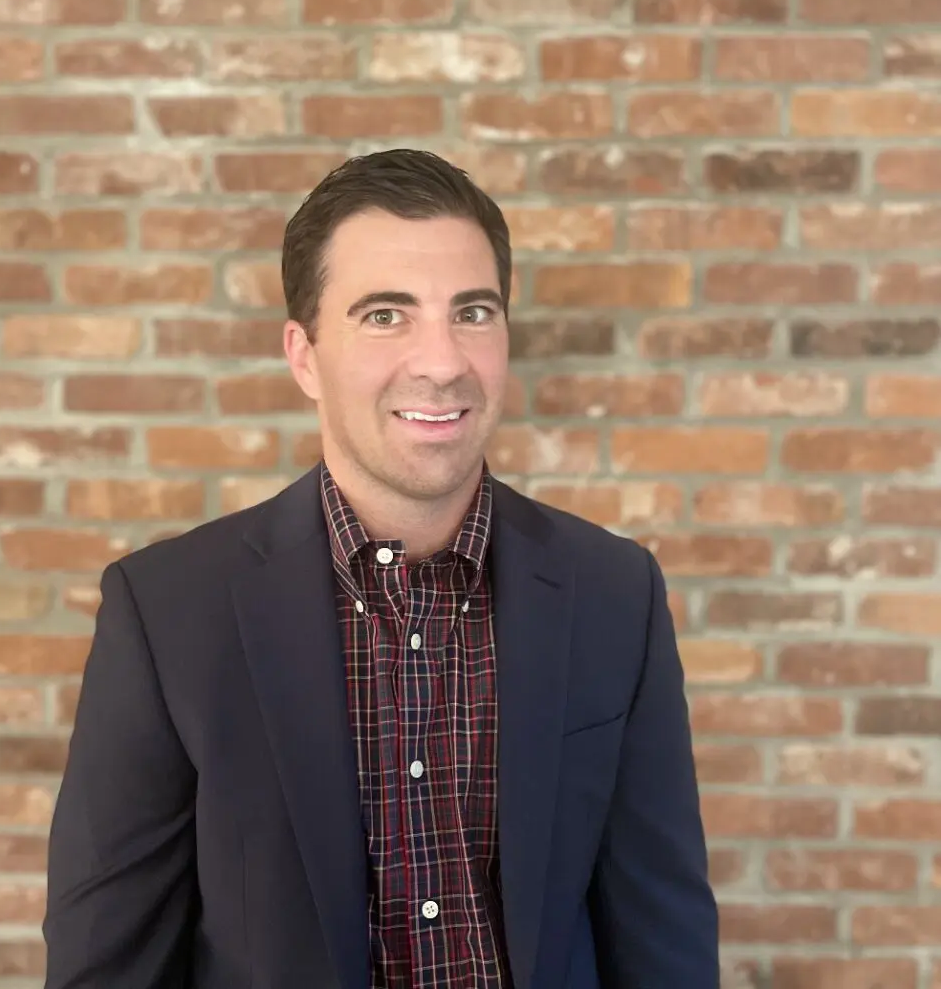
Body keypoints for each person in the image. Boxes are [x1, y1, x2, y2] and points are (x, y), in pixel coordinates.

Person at [42, 149, 719, 989]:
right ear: (303, 355)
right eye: (386, 315)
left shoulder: (616, 593)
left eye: (472, 312)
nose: (442, 361)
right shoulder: (169, 613)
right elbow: (109, 965)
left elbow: (665, 943)